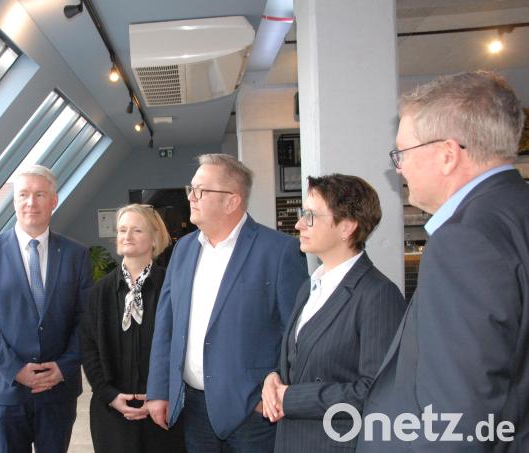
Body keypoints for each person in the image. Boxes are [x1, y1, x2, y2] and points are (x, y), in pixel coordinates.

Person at [357, 70, 529, 452]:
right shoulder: (514, 214)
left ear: (448, 155)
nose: (398, 168)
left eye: (402, 153)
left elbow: (457, 418)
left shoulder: (463, 241)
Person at [146, 153, 308, 453]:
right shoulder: (183, 250)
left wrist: (274, 392)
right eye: (191, 189)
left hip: (253, 413)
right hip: (193, 407)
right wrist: (158, 390)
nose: (190, 197)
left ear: (232, 201)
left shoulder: (279, 251)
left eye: (200, 190)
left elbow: (298, 334)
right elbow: (166, 325)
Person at [260, 174, 405, 452]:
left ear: (347, 227)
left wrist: (291, 398)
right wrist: (273, 378)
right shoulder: (310, 287)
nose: (299, 224)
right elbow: (300, 363)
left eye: (310, 216)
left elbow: (377, 391)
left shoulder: (377, 294)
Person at [0, 165, 93, 453]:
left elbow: (86, 319)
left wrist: (63, 367)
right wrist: (15, 369)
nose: (31, 202)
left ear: (54, 201)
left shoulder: (76, 254)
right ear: (14, 200)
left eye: (40, 194)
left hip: (58, 390)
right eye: (23, 194)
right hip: (6, 389)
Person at [80, 204, 185, 453]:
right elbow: (89, 349)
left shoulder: (173, 288)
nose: (127, 236)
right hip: (112, 413)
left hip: (163, 410)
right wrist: (109, 395)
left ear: (155, 239)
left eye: (137, 230)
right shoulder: (100, 292)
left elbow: (181, 347)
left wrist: (162, 395)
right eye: (122, 230)